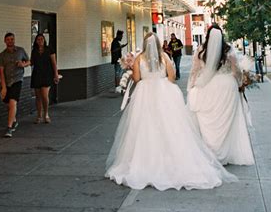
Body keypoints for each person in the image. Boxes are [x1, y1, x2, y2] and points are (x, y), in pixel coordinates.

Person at [105, 32, 237, 190]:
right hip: (164, 92)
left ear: (145, 43)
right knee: (169, 126)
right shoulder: (165, 57)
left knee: (144, 127)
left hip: (144, 94)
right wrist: (162, 82)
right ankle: (171, 159)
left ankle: (145, 161)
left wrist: (134, 69)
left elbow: (137, 79)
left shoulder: (139, 58)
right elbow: (172, 77)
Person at [187, 25, 254, 165]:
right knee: (227, 119)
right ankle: (226, 151)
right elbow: (236, 70)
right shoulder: (228, 50)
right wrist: (241, 82)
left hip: (208, 86)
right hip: (227, 87)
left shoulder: (201, 50)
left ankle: (210, 151)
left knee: (210, 118)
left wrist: (192, 87)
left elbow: (194, 71)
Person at [0, 32, 30, 138]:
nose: (10, 41)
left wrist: (23, 64)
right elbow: (1, 71)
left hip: (17, 80)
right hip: (7, 81)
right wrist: (3, 87)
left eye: (12, 39)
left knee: (12, 103)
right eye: (8, 39)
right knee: (7, 103)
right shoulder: (2, 55)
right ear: (5, 41)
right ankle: (14, 120)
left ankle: (9, 128)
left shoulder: (20, 51)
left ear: (14, 40)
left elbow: (29, 61)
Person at [30, 33, 60, 123]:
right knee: (38, 96)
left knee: (44, 95)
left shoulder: (49, 49)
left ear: (44, 40)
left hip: (47, 74)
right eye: (38, 39)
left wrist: (56, 74)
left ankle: (46, 114)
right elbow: (31, 62)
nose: (40, 41)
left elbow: (54, 63)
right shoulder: (34, 51)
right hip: (36, 74)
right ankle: (39, 115)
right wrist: (23, 63)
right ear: (36, 41)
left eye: (42, 39)